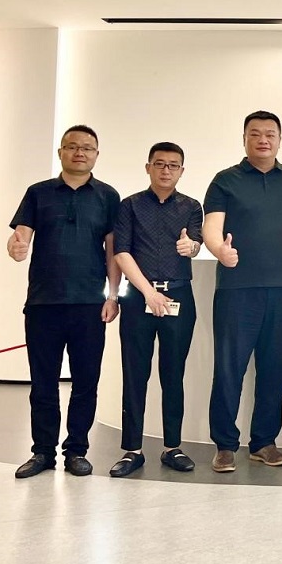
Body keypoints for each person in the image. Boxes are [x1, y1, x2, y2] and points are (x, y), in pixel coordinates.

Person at [202, 110, 282, 473]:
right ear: (244, 139)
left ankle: (263, 442)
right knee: (229, 368)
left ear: (279, 140)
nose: (263, 139)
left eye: (270, 134)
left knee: (277, 368)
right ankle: (225, 445)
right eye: (255, 134)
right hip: (237, 290)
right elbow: (211, 228)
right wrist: (220, 250)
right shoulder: (225, 180)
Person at [9, 125, 121, 478]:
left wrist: (113, 295)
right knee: (43, 383)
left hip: (90, 305)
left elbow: (113, 251)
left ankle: (76, 451)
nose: (79, 152)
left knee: (86, 382)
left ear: (96, 155)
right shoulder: (38, 193)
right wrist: (16, 247)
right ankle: (42, 452)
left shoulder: (108, 196)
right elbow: (21, 235)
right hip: (43, 304)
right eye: (72, 146)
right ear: (60, 152)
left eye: (87, 147)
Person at [108, 142, 203, 478]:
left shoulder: (192, 206)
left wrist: (191, 246)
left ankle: (172, 447)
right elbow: (121, 252)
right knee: (135, 373)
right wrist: (148, 292)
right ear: (148, 167)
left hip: (179, 296)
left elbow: (195, 242)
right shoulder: (130, 205)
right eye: (159, 164)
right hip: (138, 297)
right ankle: (132, 449)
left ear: (182, 171)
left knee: (173, 373)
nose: (166, 170)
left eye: (173, 165)